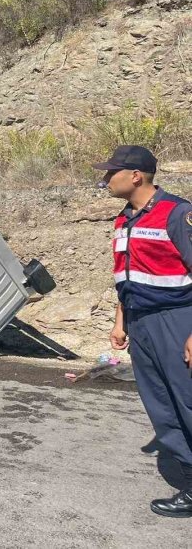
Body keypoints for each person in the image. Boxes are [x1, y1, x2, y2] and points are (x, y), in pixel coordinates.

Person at [96, 145, 192, 517]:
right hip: (141, 322)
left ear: (135, 176)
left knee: (186, 401)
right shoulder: (124, 220)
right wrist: (121, 320)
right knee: (162, 406)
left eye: (110, 173)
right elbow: (126, 275)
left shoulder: (178, 214)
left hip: (178, 318)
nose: (105, 179)